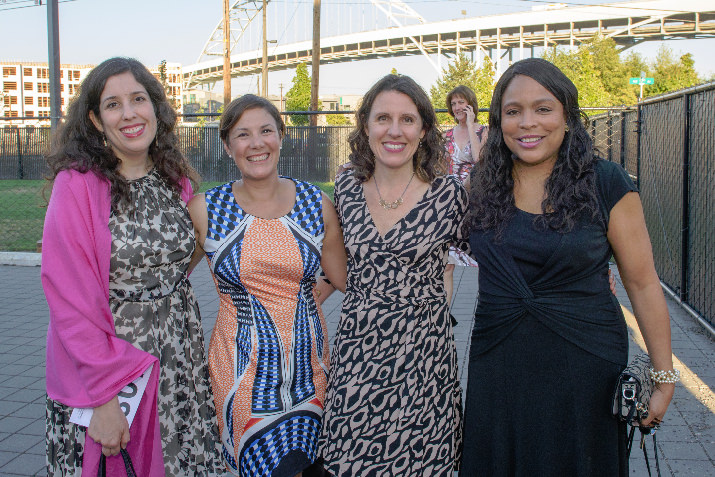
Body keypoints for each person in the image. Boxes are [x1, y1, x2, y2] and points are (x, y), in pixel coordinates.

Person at [461, 58, 676, 476]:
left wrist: (664, 377)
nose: (527, 123)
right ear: (498, 119)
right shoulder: (482, 185)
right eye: (512, 111)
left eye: (543, 109)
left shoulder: (606, 182)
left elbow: (643, 282)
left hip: (586, 367)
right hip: (499, 365)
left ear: (567, 116)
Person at [42, 57, 221, 476]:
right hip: (111, 367)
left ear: (155, 108)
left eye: (138, 99)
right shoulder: (78, 185)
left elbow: (175, 266)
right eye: (113, 104)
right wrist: (103, 399)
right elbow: (70, 298)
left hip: (177, 363)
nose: (129, 113)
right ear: (95, 118)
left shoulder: (175, 180)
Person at [187, 94, 347, 477]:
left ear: (281, 136)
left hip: (310, 375)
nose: (256, 143)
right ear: (227, 145)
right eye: (243, 134)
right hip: (241, 373)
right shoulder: (206, 209)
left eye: (265, 131)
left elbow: (344, 278)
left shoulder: (316, 203)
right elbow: (166, 277)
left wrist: (303, 297)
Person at [320, 74, 465, 475]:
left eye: (408, 119)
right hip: (357, 357)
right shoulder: (347, 185)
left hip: (424, 358)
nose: (395, 130)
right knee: (349, 462)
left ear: (423, 130)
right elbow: (336, 268)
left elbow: (498, 252)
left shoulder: (450, 195)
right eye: (383, 118)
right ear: (365, 126)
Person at [443, 85, 486, 304]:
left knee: (484, 262)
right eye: (453, 103)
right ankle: (442, 320)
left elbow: (480, 160)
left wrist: (470, 124)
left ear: (470, 104)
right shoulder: (446, 135)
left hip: (476, 202)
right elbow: (441, 167)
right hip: (451, 203)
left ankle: (485, 312)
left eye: (461, 102)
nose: (457, 107)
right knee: (447, 263)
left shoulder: (482, 131)